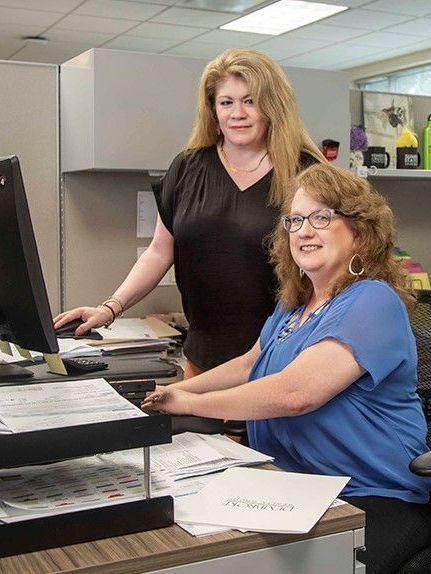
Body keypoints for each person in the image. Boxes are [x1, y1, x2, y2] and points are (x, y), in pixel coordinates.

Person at [142, 163, 431, 574]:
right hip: (294, 485)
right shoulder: (294, 305)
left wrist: (189, 401)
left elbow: (295, 394)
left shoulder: (372, 301)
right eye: (294, 220)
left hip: (370, 494)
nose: (303, 230)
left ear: (360, 234)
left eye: (321, 217)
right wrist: (169, 391)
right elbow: (250, 363)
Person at [54, 48, 324, 378]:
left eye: (250, 101)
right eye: (226, 102)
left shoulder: (305, 174)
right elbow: (158, 252)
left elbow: (328, 270)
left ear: (273, 106)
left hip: (279, 357)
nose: (237, 113)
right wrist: (110, 308)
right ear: (213, 109)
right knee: (197, 431)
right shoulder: (187, 167)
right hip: (202, 356)